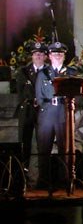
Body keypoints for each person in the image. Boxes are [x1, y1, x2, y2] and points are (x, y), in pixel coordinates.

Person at [35, 40, 77, 189]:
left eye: (60, 54)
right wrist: (45, 108)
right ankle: (44, 181)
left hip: (63, 112)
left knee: (64, 149)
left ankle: (65, 180)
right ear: (50, 56)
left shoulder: (71, 72)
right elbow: (39, 96)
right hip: (47, 113)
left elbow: (78, 92)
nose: (57, 56)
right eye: (54, 53)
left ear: (64, 56)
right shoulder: (43, 73)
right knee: (43, 148)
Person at [16, 41, 47, 176]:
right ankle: (23, 172)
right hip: (28, 111)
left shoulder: (49, 72)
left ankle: (44, 174)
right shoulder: (23, 72)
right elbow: (21, 92)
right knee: (24, 142)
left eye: (41, 54)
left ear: (45, 56)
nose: (38, 56)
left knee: (44, 143)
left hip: (43, 111)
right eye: (35, 54)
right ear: (32, 56)